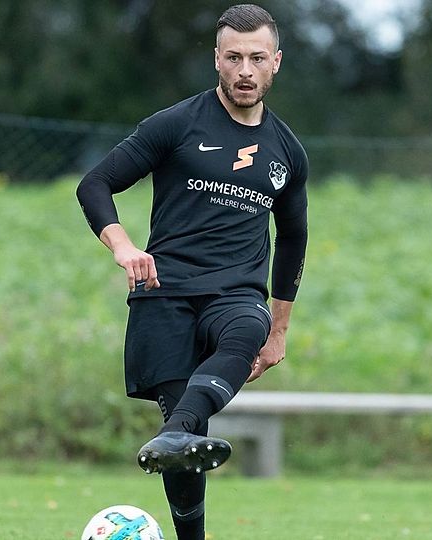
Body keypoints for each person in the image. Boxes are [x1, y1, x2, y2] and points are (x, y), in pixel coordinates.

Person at [76, 4, 308, 539]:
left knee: (245, 329)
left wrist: (280, 328)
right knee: (187, 449)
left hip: (236, 292)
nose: (245, 70)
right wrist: (123, 246)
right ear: (217, 61)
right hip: (163, 294)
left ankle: (175, 430)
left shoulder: (288, 151)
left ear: (275, 62)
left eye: (256, 58)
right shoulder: (176, 124)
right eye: (233, 58)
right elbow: (95, 184)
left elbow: (294, 238)